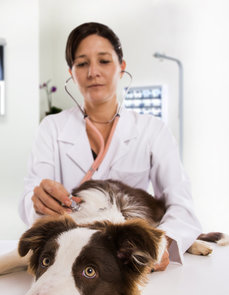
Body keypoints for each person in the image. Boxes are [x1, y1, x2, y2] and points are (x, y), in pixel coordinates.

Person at [18, 22, 202, 271]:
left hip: (131, 260)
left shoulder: (152, 130)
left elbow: (181, 204)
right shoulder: (52, 128)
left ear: (121, 67)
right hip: (69, 255)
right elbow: (30, 196)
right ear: (71, 72)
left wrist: (161, 244)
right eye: (82, 63)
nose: (93, 71)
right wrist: (37, 200)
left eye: (104, 60)